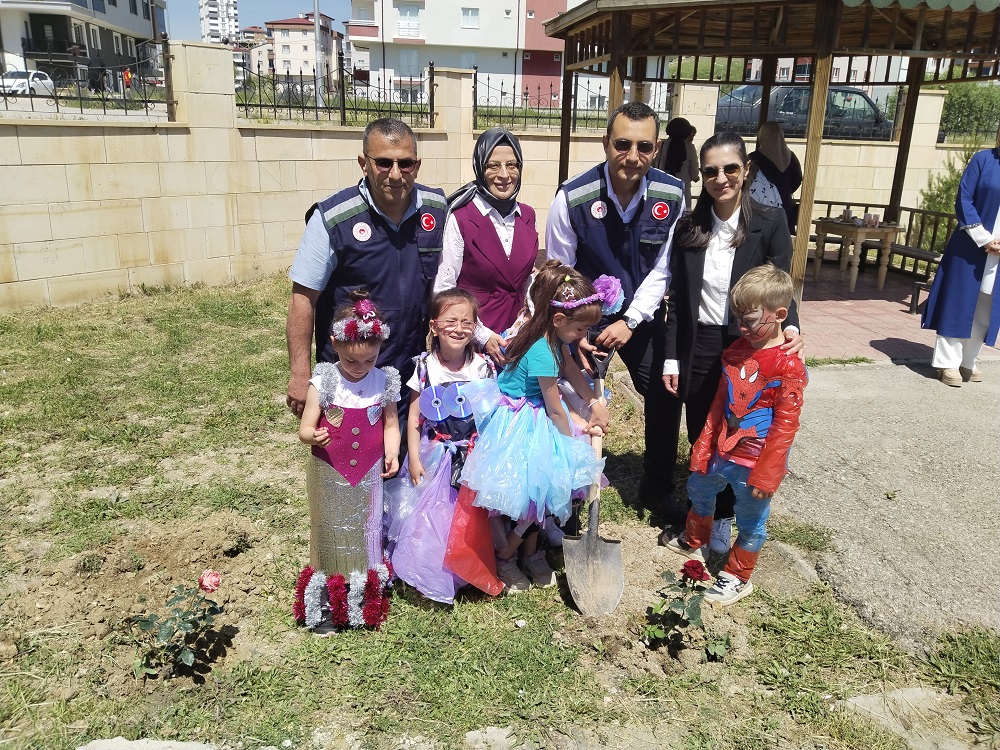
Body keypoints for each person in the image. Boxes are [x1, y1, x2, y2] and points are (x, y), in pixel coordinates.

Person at [660, 131, 803, 550]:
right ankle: (701, 516)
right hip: (698, 344)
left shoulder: (770, 221)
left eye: (730, 168)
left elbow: (782, 284)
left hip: (749, 346)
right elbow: (675, 299)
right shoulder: (688, 226)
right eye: (710, 171)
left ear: (746, 170)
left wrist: (790, 325)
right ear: (701, 175)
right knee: (701, 431)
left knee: (737, 435)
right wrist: (671, 357)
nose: (720, 178)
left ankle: (724, 521)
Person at [546, 101, 685, 519]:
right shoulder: (572, 198)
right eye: (622, 144)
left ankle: (656, 485)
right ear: (606, 143)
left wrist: (629, 320)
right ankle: (568, 491)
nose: (632, 156)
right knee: (570, 396)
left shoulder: (672, 194)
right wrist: (578, 331)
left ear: (656, 148)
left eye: (644, 146)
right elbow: (560, 271)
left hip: (638, 317)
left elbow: (664, 267)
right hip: (585, 318)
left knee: (664, 391)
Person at [459, 267, 617, 593]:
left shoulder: (553, 337)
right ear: (560, 321)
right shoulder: (543, 350)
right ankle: (507, 554)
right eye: (580, 328)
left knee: (542, 492)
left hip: (537, 410)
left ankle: (529, 552)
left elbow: (571, 368)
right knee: (535, 489)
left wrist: (593, 401)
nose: (583, 335)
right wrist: (576, 432)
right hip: (521, 418)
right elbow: (555, 405)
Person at [662, 264, 807, 606]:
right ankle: (695, 540)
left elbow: (786, 424)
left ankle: (737, 576)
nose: (742, 326)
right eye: (737, 317)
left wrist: (768, 473)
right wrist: (703, 444)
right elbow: (717, 405)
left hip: (755, 460)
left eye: (751, 319)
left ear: (780, 314)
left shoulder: (788, 366)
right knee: (698, 487)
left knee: (750, 518)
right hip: (723, 450)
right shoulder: (735, 352)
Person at [286, 117, 446, 421]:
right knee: (348, 463)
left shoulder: (437, 208)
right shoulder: (333, 218)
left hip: (410, 371)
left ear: (417, 164)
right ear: (364, 162)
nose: (396, 174)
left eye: (406, 163)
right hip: (351, 373)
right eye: (384, 163)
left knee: (404, 460)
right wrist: (299, 373)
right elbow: (302, 299)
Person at [293, 291, 401, 633]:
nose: (360, 369)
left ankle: (364, 604)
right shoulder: (323, 382)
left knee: (365, 531)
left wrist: (393, 451)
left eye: (369, 361)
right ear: (335, 345)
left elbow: (391, 423)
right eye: (352, 362)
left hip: (369, 471)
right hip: (329, 472)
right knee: (331, 532)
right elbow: (305, 427)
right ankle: (325, 607)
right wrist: (312, 435)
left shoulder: (384, 381)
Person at [388, 288, 502, 603]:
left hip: (471, 452)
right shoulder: (425, 367)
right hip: (435, 453)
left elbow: (491, 413)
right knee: (431, 511)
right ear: (435, 326)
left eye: (467, 321)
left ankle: (464, 566)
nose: (459, 328)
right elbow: (413, 416)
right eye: (450, 321)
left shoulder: (482, 366)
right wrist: (413, 458)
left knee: (466, 513)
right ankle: (430, 566)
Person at [436, 127, 538, 363]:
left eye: (512, 165)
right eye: (493, 166)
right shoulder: (462, 218)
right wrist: (482, 336)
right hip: (472, 344)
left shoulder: (528, 215)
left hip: (519, 339)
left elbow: (523, 277)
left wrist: (530, 320)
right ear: (479, 168)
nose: (504, 175)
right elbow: (444, 289)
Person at [921, 129, 1000, 386]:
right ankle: (947, 363)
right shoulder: (983, 160)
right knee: (959, 302)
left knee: (985, 309)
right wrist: (984, 237)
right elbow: (964, 199)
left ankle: (969, 360)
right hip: (970, 247)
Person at [747, 122, 803, 234]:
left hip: (760, 208)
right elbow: (797, 180)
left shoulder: (754, 158)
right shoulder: (791, 157)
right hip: (785, 206)